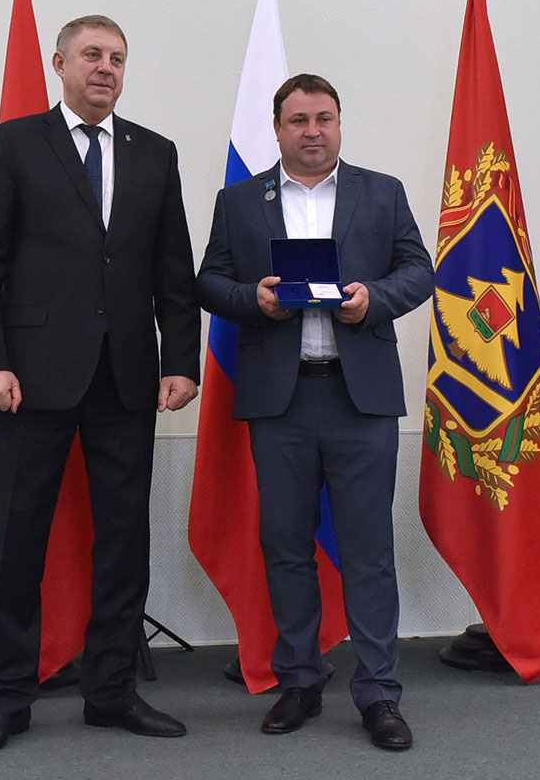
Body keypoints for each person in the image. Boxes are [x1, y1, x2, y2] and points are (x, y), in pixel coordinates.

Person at [0, 15, 201, 757]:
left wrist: (180, 361)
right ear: (59, 62)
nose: (105, 68)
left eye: (117, 58)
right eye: (92, 55)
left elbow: (173, 270)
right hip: (29, 379)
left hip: (126, 377)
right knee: (15, 542)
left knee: (124, 541)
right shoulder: (14, 144)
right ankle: (5, 698)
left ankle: (112, 691)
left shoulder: (155, 153)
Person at [194, 73, 434, 750]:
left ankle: (380, 693)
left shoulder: (381, 192)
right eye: (298, 120)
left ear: (339, 123)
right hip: (281, 401)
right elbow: (209, 281)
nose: (312, 131)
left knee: (368, 551)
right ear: (277, 129)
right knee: (286, 546)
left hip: (360, 400)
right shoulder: (241, 201)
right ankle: (299, 680)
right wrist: (255, 299)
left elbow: (419, 270)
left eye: (324, 118)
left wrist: (373, 299)